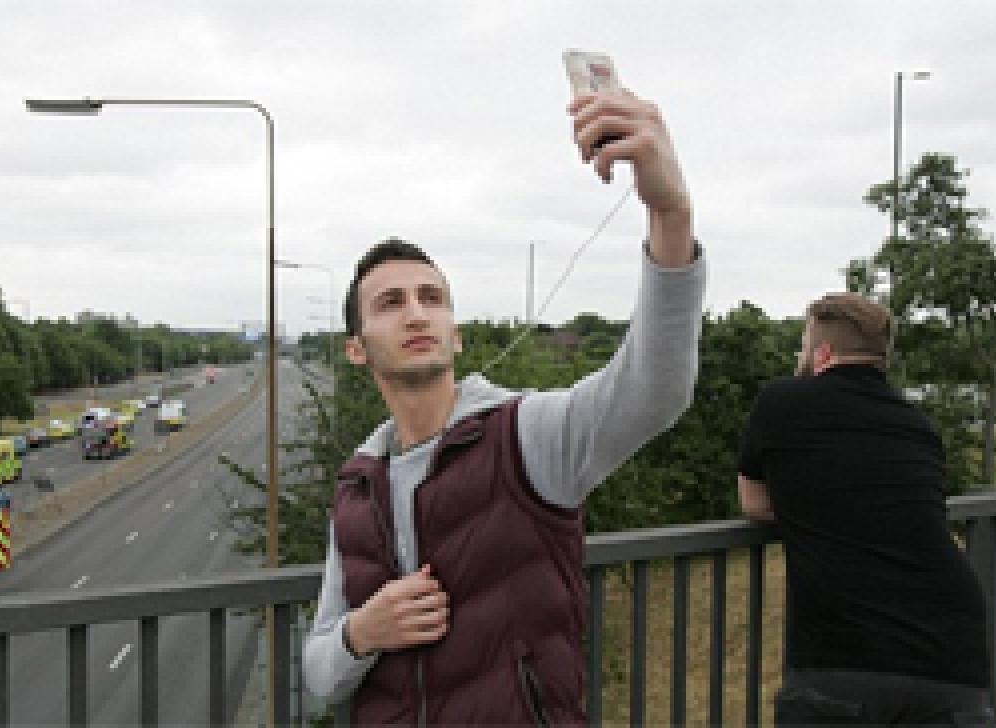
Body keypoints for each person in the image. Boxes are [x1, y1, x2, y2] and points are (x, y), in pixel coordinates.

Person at [302, 87, 706, 726]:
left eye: (432, 297)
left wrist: (671, 210)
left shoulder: (524, 436)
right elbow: (319, 669)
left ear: (456, 333)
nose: (417, 312)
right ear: (357, 349)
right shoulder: (358, 484)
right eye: (390, 302)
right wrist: (364, 632)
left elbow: (655, 390)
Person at [737, 293, 994, 726]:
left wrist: (822, 511)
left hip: (845, 654)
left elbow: (754, 502)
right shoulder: (919, 425)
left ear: (821, 353)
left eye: (803, 346)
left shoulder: (780, 403)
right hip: (952, 654)